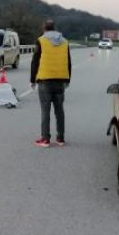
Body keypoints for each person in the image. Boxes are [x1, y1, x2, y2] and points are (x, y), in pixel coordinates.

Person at [30, 19, 72, 148]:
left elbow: (35, 61)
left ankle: (45, 139)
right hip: (60, 80)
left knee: (45, 110)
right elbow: (68, 62)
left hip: (45, 80)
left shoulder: (41, 40)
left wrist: (32, 79)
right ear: (54, 28)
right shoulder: (65, 42)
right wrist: (67, 79)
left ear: (44, 28)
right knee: (59, 110)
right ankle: (60, 138)